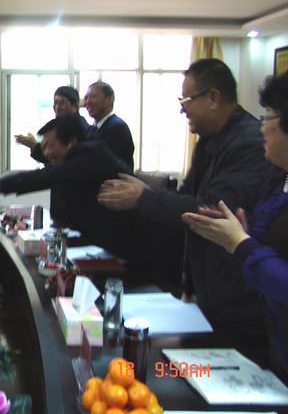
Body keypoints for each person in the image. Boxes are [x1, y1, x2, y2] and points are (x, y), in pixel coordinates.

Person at [97, 58, 272, 340]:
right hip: (207, 291)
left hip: (239, 303)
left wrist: (144, 198)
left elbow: (212, 211)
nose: (182, 108)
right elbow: (187, 199)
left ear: (213, 98)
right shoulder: (209, 140)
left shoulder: (249, 142)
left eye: (187, 99)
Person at [181, 73, 288, 377]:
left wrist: (241, 243)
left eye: (269, 117)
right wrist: (244, 233)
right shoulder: (279, 177)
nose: (262, 127)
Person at [0, 115, 160, 264]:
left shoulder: (90, 155)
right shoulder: (79, 154)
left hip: (137, 244)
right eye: (43, 147)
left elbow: (46, 177)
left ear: (71, 141)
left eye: (50, 146)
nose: (46, 153)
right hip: (107, 241)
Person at [14, 86, 91, 165]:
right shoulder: (60, 124)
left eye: (62, 103)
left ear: (74, 106)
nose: (57, 107)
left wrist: (34, 145)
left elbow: (61, 159)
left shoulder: (80, 127)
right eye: (55, 103)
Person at [85, 81, 135, 171]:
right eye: (86, 98)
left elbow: (108, 165)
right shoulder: (91, 129)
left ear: (109, 99)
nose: (88, 102)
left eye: (93, 97)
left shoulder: (117, 127)